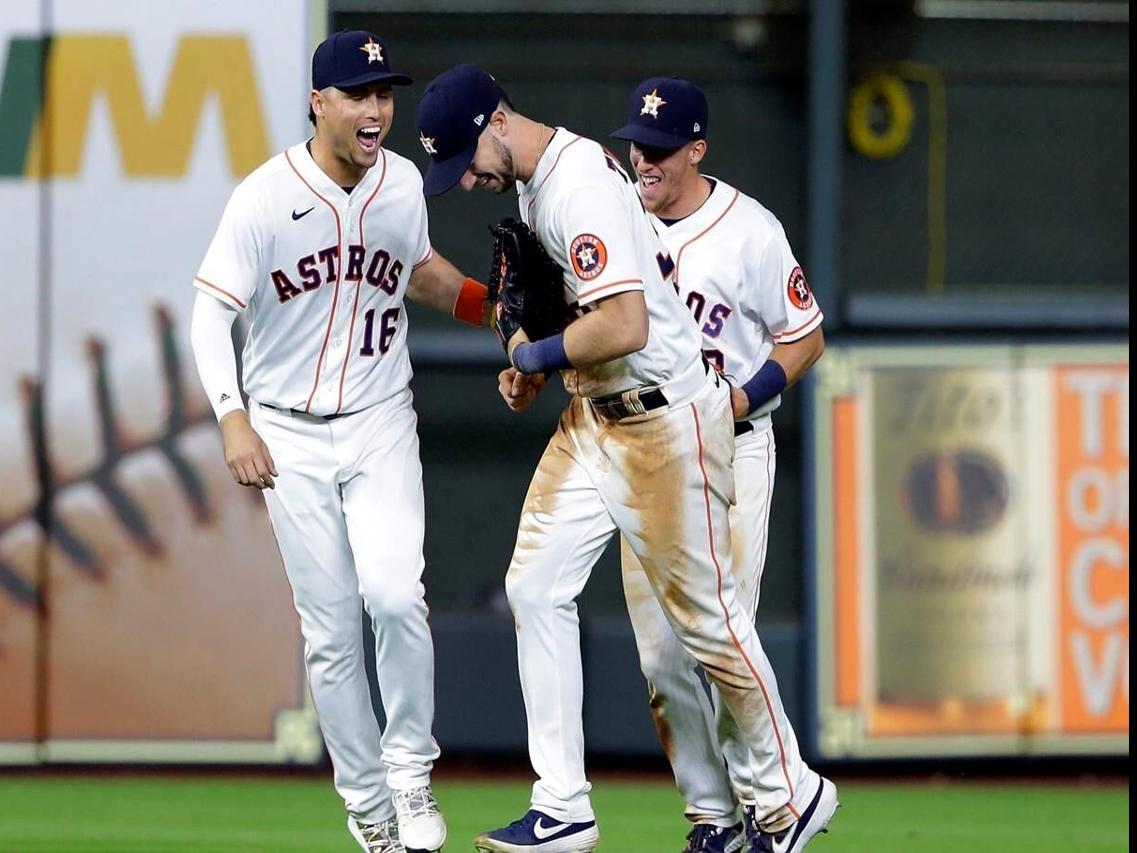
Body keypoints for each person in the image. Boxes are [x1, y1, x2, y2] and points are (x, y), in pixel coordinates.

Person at [414, 64, 820, 853]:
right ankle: (562, 805)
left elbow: (626, 324)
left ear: (498, 121)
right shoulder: (539, 186)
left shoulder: (578, 189)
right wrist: (536, 359)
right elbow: (574, 320)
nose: (463, 181)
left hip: (664, 421)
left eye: (465, 159)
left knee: (706, 624)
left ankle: (787, 792)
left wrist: (534, 356)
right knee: (534, 584)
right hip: (597, 415)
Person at [189, 31, 494, 853]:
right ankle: (367, 807)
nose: (376, 110)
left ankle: (409, 774)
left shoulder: (399, 183)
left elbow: (418, 268)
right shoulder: (262, 197)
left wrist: (491, 310)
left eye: (384, 93)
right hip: (286, 429)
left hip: (378, 417)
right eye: (358, 94)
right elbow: (210, 311)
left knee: (395, 595)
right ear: (318, 103)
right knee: (329, 633)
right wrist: (231, 414)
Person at [609, 78, 838, 853]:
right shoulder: (613, 220)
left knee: (720, 635)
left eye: (662, 149)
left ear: (696, 150)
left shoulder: (750, 230)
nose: (644, 159)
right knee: (660, 655)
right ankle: (713, 818)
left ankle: (772, 806)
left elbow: (802, 335)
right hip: (641, 454)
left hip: (732, 448)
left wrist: (739, 399)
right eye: (638, 144)